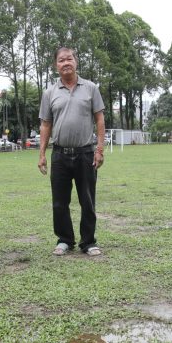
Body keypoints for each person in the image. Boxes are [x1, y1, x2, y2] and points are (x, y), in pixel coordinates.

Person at [37, 47, 106, 256]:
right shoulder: (50, 92)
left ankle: (88, 242)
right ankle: (65, 239)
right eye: (61, 60)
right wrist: (41, 154)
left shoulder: (91, 88)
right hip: (59, 154)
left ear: (76, 62)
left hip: (85, 153)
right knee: (59, 202)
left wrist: (100, 149)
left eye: (69, 59)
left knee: (87, 199)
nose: (65, 63)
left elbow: (100, 119)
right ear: (55, 65)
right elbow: (45, 125)